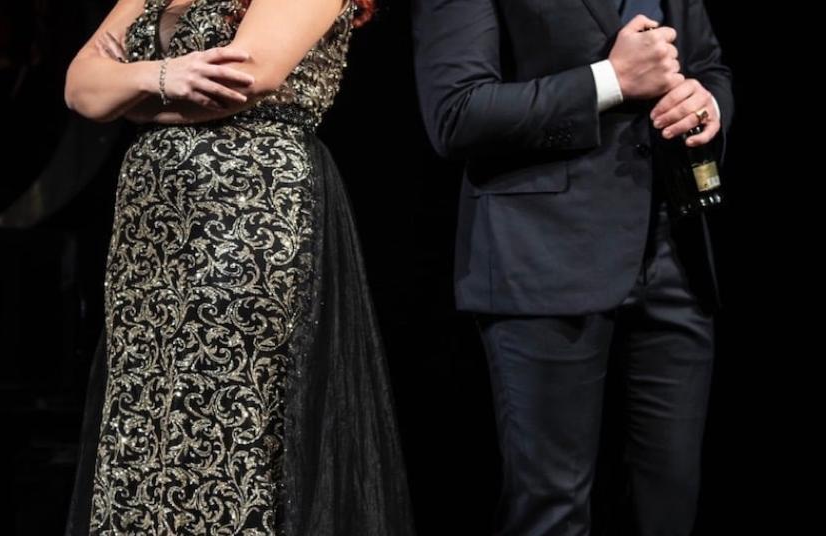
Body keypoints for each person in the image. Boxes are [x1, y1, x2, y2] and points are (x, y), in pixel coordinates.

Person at [62, 1, 415, 534]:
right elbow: (80, 88)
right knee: (143, 413)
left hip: (247, 212)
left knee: (228, 410)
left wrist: (128, 98)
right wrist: (163, 76)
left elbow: (245, 78)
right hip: (151, 230)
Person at [413, 0, 733, 534]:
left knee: (670, 506)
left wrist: (708, 103)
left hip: (674, 251)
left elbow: (709, 66)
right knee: (552, 509)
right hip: (542, 254)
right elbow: (457, 113)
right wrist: (610, 79)